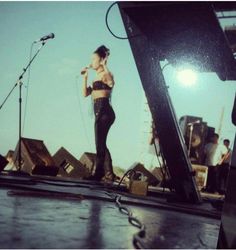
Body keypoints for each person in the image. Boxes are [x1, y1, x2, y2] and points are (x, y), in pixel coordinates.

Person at [81, 45, 116, 182]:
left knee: (100, 143)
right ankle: (108, 174)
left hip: (105, 110)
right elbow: (85, 94)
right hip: (99, 111)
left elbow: (111, 83)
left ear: (101, 60)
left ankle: (100, 174)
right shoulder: (95, 77)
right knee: (101, 143)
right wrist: (85, 78)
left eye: (94, 59)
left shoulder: (106, 74)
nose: (92, 61)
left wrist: (105, 66)